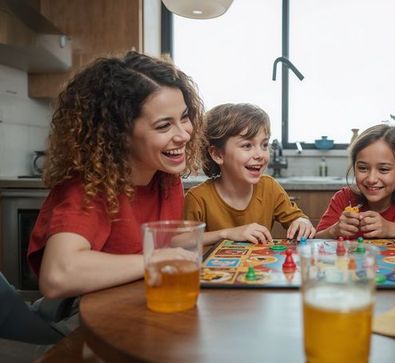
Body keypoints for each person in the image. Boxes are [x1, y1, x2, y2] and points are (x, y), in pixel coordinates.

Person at [26, 51, 204, 299]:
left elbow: (166, 247)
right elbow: (58, 276)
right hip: (81, 320)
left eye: (184, 117)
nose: (184, 134)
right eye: (164, 125)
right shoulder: (90, 186)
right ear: (119, 133)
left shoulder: (164, 176)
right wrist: (155, 259)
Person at [183, 103, 315, 245]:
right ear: (217, 154)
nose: (260, 154)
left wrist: (301, 222)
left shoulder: (269, 187)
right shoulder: (197, 198)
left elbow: (297, 218)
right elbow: (180, 241)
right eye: (247, 146)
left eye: (264, 145)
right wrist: (226, 234)